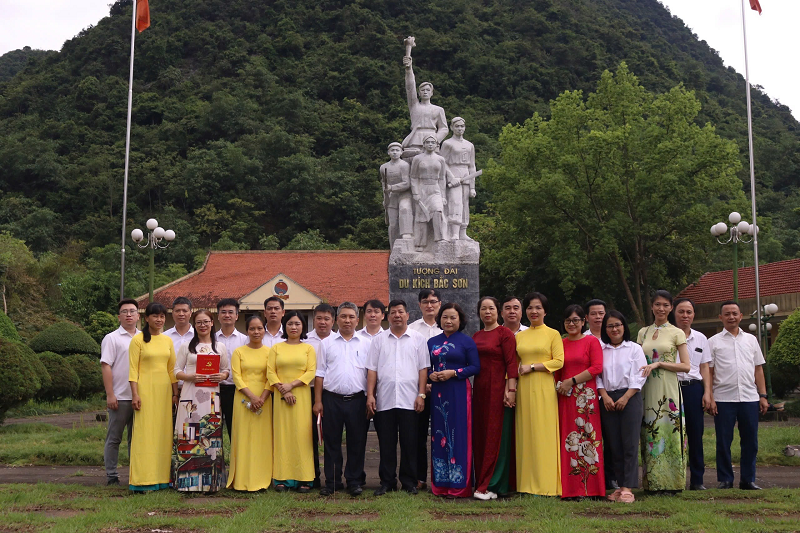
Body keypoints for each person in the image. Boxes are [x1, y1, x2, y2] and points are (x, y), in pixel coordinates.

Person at [366, 300, 429, 495]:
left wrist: (421, 394)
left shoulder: (418, 339)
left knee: (410, 443)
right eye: (393, 312)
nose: (397, 315)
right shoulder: (379, 340)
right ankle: (387, 482)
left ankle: (409, 482)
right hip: (385, 400)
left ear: (407, 315)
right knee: (386, 443)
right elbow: (372, 370)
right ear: (388, 316)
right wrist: (370, 395)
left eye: (400, 312)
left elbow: (423, 369)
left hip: (410, 400)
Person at [707, 301, 770, 490]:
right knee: (723, 441)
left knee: (750, 441)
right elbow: (709, 372)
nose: (731, 317)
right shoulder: (713, 342)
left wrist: (763, 395)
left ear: (741, 316)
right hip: (723, 399)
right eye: (727, 314)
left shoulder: (751, 340)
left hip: (749, 398)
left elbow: (758, 369)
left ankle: (748, 480)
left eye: (734, 313)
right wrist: (710, 396)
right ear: (721, 317)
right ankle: (725, 479)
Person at [314, 302, 371, 496]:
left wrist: (371, 397)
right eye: (343, 316)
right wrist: (318, 401)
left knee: (357, 442)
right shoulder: (326, 343)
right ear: (337, 319)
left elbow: (371, 373)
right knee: (332, 442)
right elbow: (320, 373)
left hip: (357, 399)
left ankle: (354, 481)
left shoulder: (366, 343)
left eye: (351, 317)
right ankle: (332, 481)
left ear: (357, 320)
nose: (347, 320)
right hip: (331, 399)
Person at [636, 290, 691, 493]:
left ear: (671, 308)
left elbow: (686, 366)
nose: (661, 308)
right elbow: (636, 360)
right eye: (657, 304)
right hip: (647, 387)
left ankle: (673, 483)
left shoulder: (677, 333)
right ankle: (653, 482)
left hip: (668, 388)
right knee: (650, 431)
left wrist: (659, 363)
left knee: (669, 430)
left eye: (666, 305)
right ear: (652, 307)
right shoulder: (643, 332)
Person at [172, 310, 230, 492]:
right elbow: (175, 371)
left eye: (206, 321)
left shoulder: (220, 346)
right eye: (199, 322)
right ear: (194, 324)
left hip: (212, 396)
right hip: (190, 396)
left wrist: (222, 376)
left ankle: (211, 482)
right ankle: (186, 483)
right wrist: (190, 377)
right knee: (189, 434)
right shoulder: (186, 347)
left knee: (209, 434)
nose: (202, 325)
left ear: (212, 323)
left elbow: (227, 369)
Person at [427, 303, 480, 498]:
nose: (448, 321)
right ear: (439, 319)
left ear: (460, 320)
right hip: (438, 393)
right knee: (438, 434)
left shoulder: (467, 341)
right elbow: (426, 366)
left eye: (453, 317)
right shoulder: (432, 342)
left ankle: (459, 485)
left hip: (458, 391)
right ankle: (440, 484)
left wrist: (454, 372)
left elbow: (475, 367)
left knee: (458, 434)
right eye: (445, 317)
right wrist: (431, 375)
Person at [514, 292, 564, 496]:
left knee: (543, 433)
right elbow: (514, 363)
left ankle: (546, 484)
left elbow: (559, 361)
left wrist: (533, 366)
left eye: (538, 308)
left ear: (545, 311)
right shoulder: (519, 336)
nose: (533, 311)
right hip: (524, 389)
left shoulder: (553, 334)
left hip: (543, 387)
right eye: (529, 308)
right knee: (526, 433)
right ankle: (525, 484)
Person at [597, 311, 647, 504]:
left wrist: (626, 397)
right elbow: (597, 375)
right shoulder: (601, 349)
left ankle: (628, 488)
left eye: (617, 325)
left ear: (624, 326)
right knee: (614, 444)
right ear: (605, 329)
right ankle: (619, 486)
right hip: (607, 399)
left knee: (629, 443)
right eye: (610, 326)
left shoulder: (634, 348)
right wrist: (604, 396)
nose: (614, 329)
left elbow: (640, 375)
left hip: (630, 397)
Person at [127, 302, 178, 492]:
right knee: (145, 434)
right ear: (146, 318)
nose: (159, 319)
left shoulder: (167, 341)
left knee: (163, 434)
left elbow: (172, 369)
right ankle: (142, 479)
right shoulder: (137, 340)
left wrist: (175, 393)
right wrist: (135, 394)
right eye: (155, 316)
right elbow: (133, 370)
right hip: (145, 392)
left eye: (162, 316)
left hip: (164, 393)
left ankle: (163, 478)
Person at [556, 304, 605, 499]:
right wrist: (561, 385)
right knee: (569, 440)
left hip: (586, 398)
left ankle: (592, 489)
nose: (572, 324)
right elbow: (557, 371)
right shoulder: (560, 343)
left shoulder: (591, 341)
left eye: (576, 320)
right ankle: (571, 489)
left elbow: (597, 367)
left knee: (588, 438)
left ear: (583, 321)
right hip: (565, 397)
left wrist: (572, 380)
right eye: (568, 320)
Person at [472, 296, 518, 500]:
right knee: (481, 434)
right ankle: (481, 479)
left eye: (491, 308)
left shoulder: (504, 334)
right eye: (483, 309)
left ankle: (493, 484)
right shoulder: (476, 335)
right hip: (480, 390)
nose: (487, 312)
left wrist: (511, 390)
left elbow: (511, 363)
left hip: (499, 388)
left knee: (496, 434)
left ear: (498, 311)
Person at [268, 311, 317, 493]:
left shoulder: (308, 349)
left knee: (302, 436)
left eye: (297, 324)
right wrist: (284, 389)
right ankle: (282, 478)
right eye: (290, 323)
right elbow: (270, 372)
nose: (293, 327)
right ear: (284, 326)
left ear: (303, 326)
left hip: (301, 397)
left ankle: (305, 478)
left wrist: (291, 385)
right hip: (280, 398)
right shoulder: (276, 348)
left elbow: (311, 372)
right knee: (283, 435)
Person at [671, 298, 713, 491]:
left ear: (694, 314)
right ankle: (673, 480)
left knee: (696, 434)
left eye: (689, 312)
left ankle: (697, 480)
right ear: (674, 313)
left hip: (693, 388)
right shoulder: (667, 335)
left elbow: (705, 367)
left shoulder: (701, 338)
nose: (685, 315)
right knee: (672, 434)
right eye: (681, 311)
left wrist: (707, 392)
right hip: (671, 387)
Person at [227, 316, 273, 491]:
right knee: (243, 437)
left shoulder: (271, 352)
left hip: (264, 399)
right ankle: (242, 479)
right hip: (243, 398)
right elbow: (237, 377)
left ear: (264, 330)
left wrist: (262, 398)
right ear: (247, 331)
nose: (256, 332)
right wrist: (252, 397)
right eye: (252, 329)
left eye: (259, 328)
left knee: (262, 438)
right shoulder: (239, 352)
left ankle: (262, 478)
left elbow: (271, 377)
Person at [101, 299, 140, 486]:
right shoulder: (112, 338)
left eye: (132, 311)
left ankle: (136, 475)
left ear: (138, 316)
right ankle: (112, 475)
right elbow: (106, 366)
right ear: (119, 317)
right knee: (114, 438)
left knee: (137, 439)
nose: (129, 314)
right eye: (125, 312)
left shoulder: (144, 337)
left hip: (140, 396)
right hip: (120, 396)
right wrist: (110, 394)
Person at [408, 289, 443, 491]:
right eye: (425, 302)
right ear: (419, 305)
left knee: (443, 433)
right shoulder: (412, 329)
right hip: (418, 390)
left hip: (444, 389)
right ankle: (419, 477)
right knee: (418, 435)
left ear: (440, 304)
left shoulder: (447, 326)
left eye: (433, 301)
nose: (429, 305)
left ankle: (442, 477)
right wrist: (423, 385)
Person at [304, 303, 335, 488]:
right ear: (313, 319)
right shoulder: (305, 340)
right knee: (309, 436)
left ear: (333, 321)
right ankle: (312, 475)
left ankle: (333, 476)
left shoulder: (339, 340)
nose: (323, 322)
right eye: (319, 318)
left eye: (327, 319)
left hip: (330, 393)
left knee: (331, 435)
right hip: (307, 391)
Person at [401, 53, 448, 157]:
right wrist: (409, 69)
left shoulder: (438, 109)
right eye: (422, 90)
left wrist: (436, 139)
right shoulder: (414, 105)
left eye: (428, 90)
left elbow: (444, 128)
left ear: (432, 93)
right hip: (415, 138)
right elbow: (410, 87)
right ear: (419, 93)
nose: (425, 92)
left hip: (432, 139)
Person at [215, 298, 248, 440]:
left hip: (236, 389)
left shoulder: (245, 340)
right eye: (223, 312)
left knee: (235, 429)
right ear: (218, 316)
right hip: (213, 388)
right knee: (212, 430)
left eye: (230, 312)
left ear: (237, 316)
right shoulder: (210, 339)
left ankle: (235, 454)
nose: (227, 315)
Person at [440, 117, 477, 241]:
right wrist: (451, 177)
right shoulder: (447, 143)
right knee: (455, 203)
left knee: (465, 204)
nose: (460, 128)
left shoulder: (469, 145)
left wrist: (472, 187)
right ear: (452, 127)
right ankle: (454, 232)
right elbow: (442, 162)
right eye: (457, 126)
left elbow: (472, 166)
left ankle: (463, 232)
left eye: (462, 126)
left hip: (466, 176)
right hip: (453, 175)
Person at [410, 135, 449, 249]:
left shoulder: (440, 159)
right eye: (428, 142)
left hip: (435, 188)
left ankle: (440, 238)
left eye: (433, 142)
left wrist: (443, 196)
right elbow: (413, 177)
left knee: (438, 211)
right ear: (424, 144)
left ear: (436, 144)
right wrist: (415, 192)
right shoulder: (417, 159)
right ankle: (420, 243)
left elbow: (442, 178)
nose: (430, 144)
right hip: (422, 187)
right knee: (421, 216)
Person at [380, 142, 413, 248]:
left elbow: (407, 183)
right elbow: (383, 183)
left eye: (397, 150)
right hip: (392, 197)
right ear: (388, 152)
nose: (395, 152)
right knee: (393, 223)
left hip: (404, 194)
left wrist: (392, 188)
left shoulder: (404, 165)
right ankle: (394, 247)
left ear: (401, 152)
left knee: (405, 209)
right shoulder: (383, 167)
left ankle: (407, 234)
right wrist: (385, 198)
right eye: (392, 150)